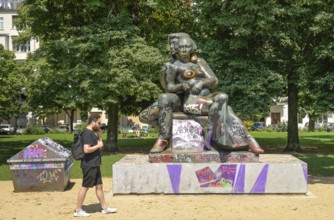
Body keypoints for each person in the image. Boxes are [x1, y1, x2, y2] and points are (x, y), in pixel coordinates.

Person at [139, 34, 264, 154]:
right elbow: (170, 87)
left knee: (223, 97)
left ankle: (211, 131)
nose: (183, 50)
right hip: (190, 101)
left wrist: (201, 83)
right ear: (177, 49)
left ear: (192, 48)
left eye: (186, 47)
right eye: (180, 47)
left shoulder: (199, 62)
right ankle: (163, 138)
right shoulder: (173, 66)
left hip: (206, 97)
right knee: (164, 98)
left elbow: (214, 80)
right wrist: (181, 86)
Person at [74, 114, 117, 217]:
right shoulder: (87, 134)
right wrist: (98, 145)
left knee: (99, 186)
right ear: (93, 122)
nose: (100, 124)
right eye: (98, 123)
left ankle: (104, 208)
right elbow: (86, 149)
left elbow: (99, 146)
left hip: (94, 163)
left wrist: (99, 135)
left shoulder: (91, 133)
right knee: (85, 186)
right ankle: (78, 210)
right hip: (89, 165)